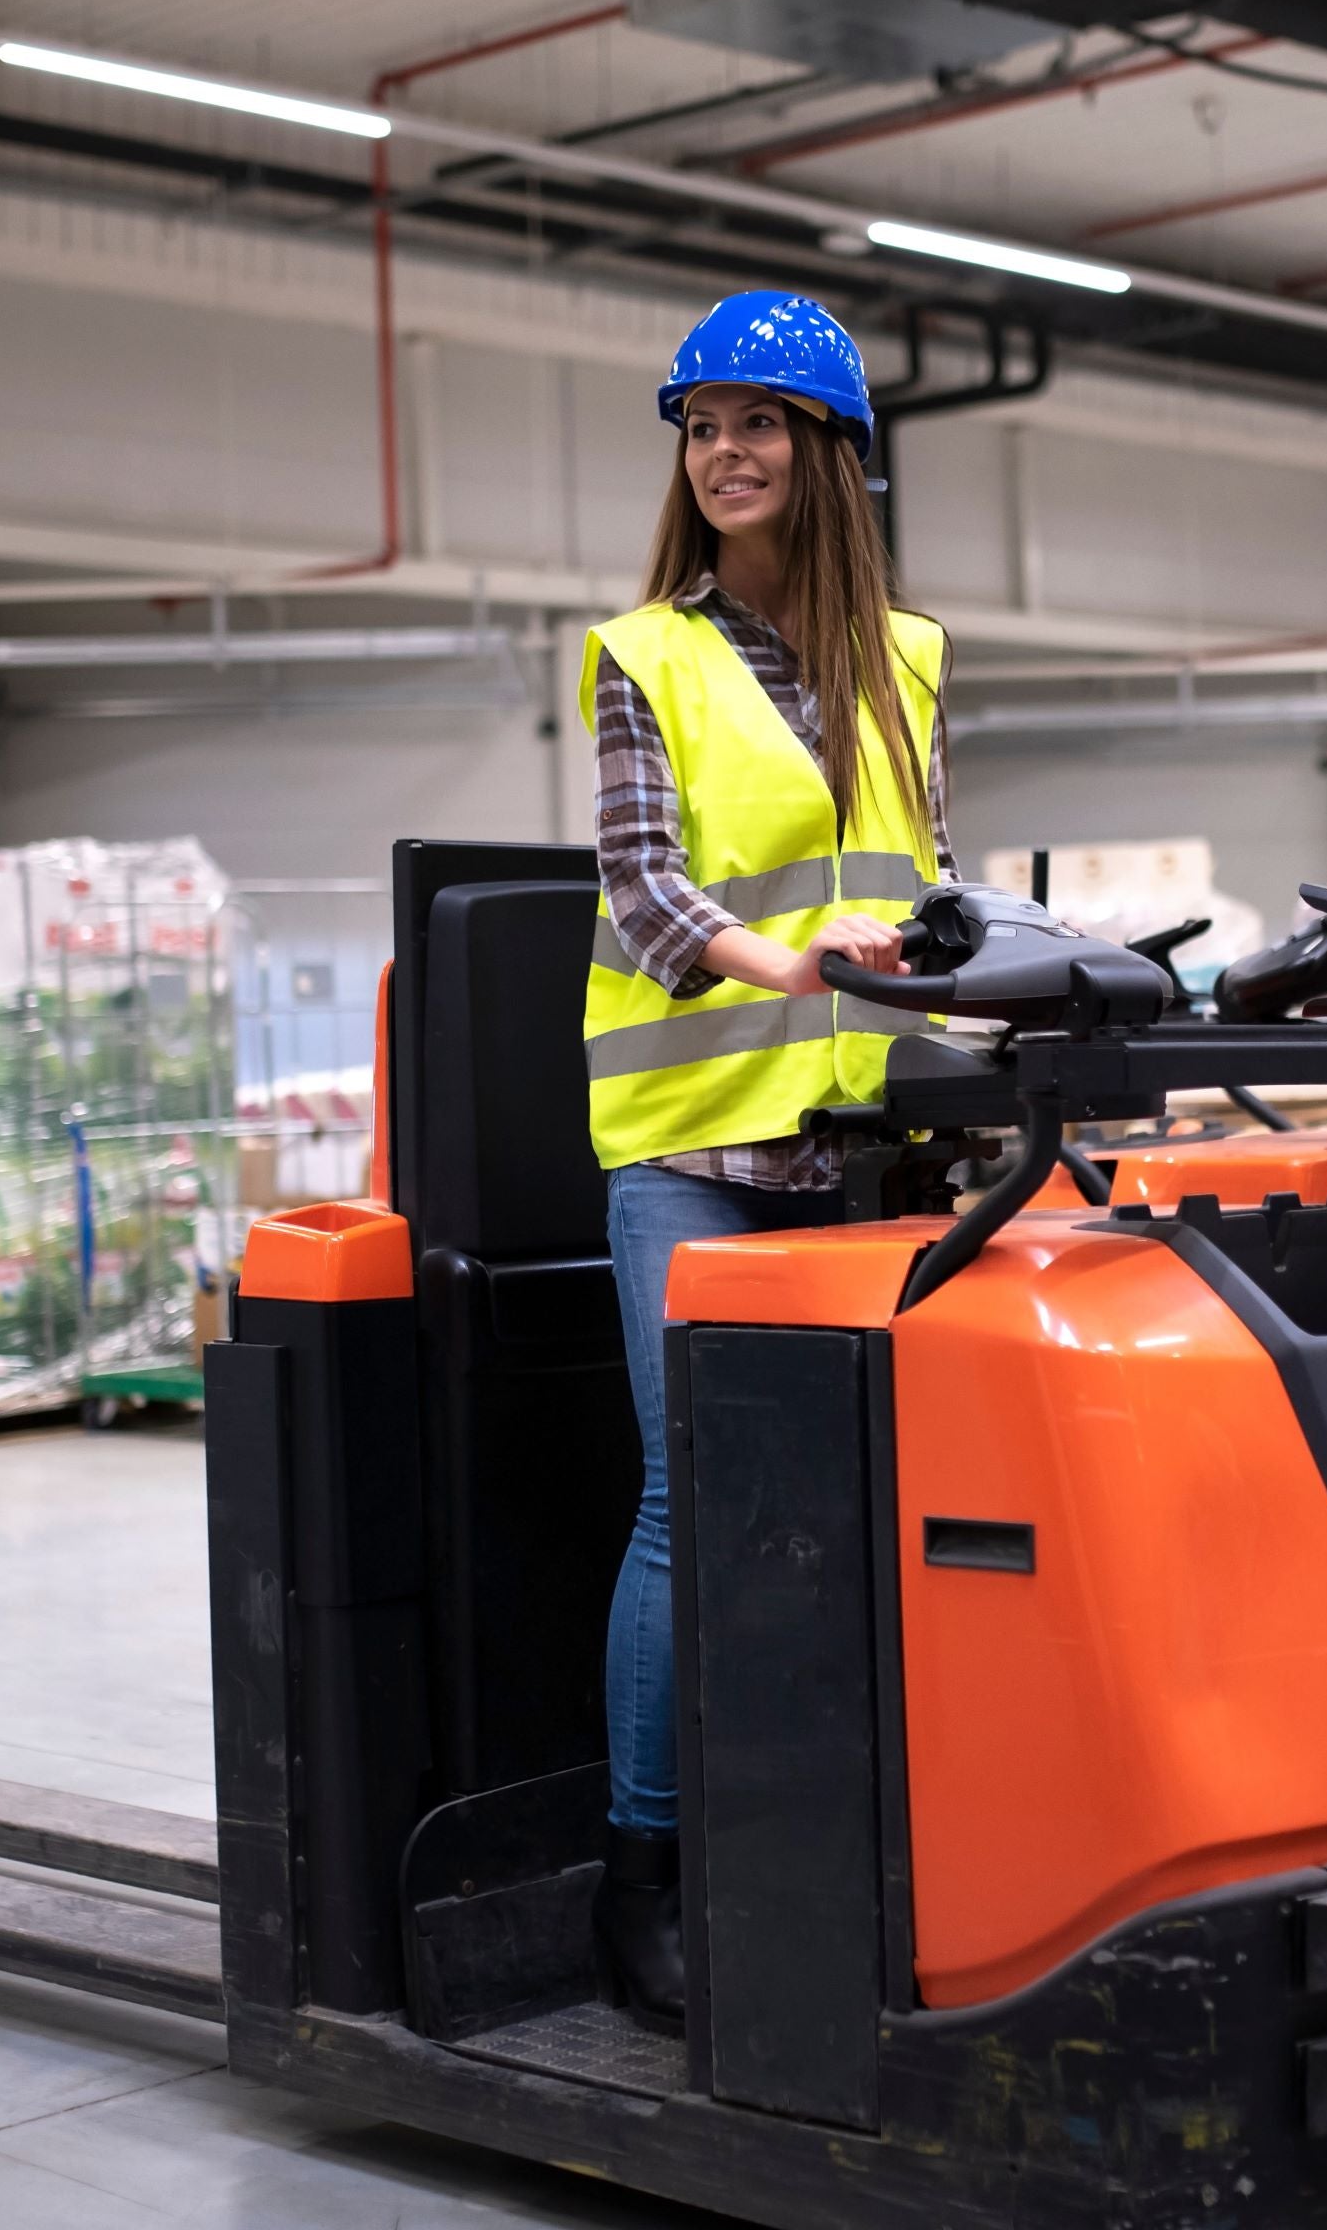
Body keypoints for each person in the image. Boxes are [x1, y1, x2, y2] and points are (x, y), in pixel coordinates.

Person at [579, 291, 953, 2032]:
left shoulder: (914, 661)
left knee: (867, 1507)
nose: (724, 452)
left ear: (830, 456)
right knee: (690, 1506)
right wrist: (788, 963)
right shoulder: (642, 654)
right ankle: (639, 1877)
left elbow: (920, 879)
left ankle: (848, 1831)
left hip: (861, 1155)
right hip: (691, 1155)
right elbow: (646, 891)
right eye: (700, 425)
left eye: (759, 423)